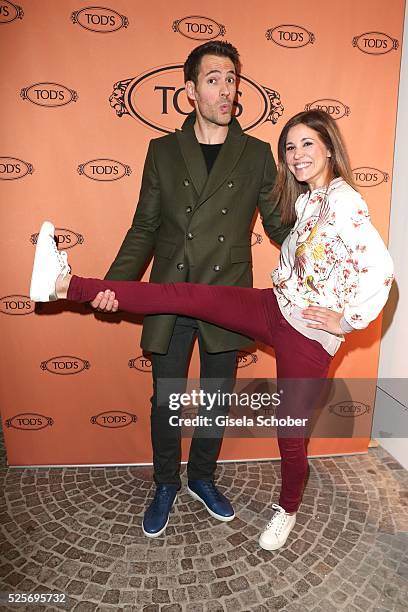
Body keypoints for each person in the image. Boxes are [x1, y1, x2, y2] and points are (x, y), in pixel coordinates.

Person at [30, 110, 394, 550]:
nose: (296, 156)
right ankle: (63, 284)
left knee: (291, 435)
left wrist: (347, 320)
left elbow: (381, 270)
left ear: (330, 148)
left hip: (308, 334)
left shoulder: (343, 201)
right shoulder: (307, 201)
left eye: (307, 145)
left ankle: (288, 508)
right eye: (291, 147)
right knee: (182, 295)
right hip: (273, 307)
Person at [87, 40, 291, 538]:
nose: (227, 89)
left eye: (232, 79)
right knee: (167, 398)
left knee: (218, 398)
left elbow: (282, 226)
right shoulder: (162, 152)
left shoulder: (257, 153)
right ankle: (165, 483)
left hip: (227, 294)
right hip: (172, 291)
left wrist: (324, 259)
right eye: (214, 79)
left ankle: (201, 477)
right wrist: (116, 287)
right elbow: (144, 228)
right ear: (190, 92)